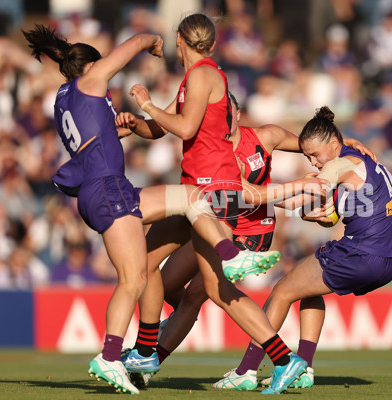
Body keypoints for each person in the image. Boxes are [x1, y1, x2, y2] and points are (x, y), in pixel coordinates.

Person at [22, 24, 276, 395]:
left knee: (191, 200)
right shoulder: (90, 82)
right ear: (92, 68)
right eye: (102, 72)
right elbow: (136, 43)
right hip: (109, 189)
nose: (107, 85)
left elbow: (101, 137)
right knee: (133, 279)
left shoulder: (65, 101)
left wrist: (129, 126)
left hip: (108, 190)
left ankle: (221, 262)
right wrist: (154, 42)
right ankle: (110, 356)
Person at [115, 14, 306, 394]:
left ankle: (147, 349)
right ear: (212, 43)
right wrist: (136, 123)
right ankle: (146, 350)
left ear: (180, 41)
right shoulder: (195, 78)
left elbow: (183, 128)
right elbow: (163, 127)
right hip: (196, 189)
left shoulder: (203, 75)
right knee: (149, 263)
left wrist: (148, 104)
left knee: (200, 282)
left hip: (212, 189)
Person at [149, 94, 374, 390]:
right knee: (165, 286)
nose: (220, 119)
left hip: (248, 234)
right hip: (216, 228)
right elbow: (244, 196)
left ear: (238, 114)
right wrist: (298, 193)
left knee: (197, 296)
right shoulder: (214, 154)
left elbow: (313, 144)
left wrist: (346, 147)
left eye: (225, 112)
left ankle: (152, 360)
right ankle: (174, 327)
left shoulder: (266, 136)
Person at [215, 105, 392, 392]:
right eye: (306, 155)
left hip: (362, 253)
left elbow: (307, 198)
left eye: (315, 155)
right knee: (307, 289)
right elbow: (321, 212)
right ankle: (304, 368)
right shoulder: (361, 162)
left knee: (281, 292)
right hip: (391, 259)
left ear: (334, 144)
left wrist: (256, 194)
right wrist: (312, 204)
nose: (313, 161)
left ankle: (246, 370)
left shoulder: (337, 165)